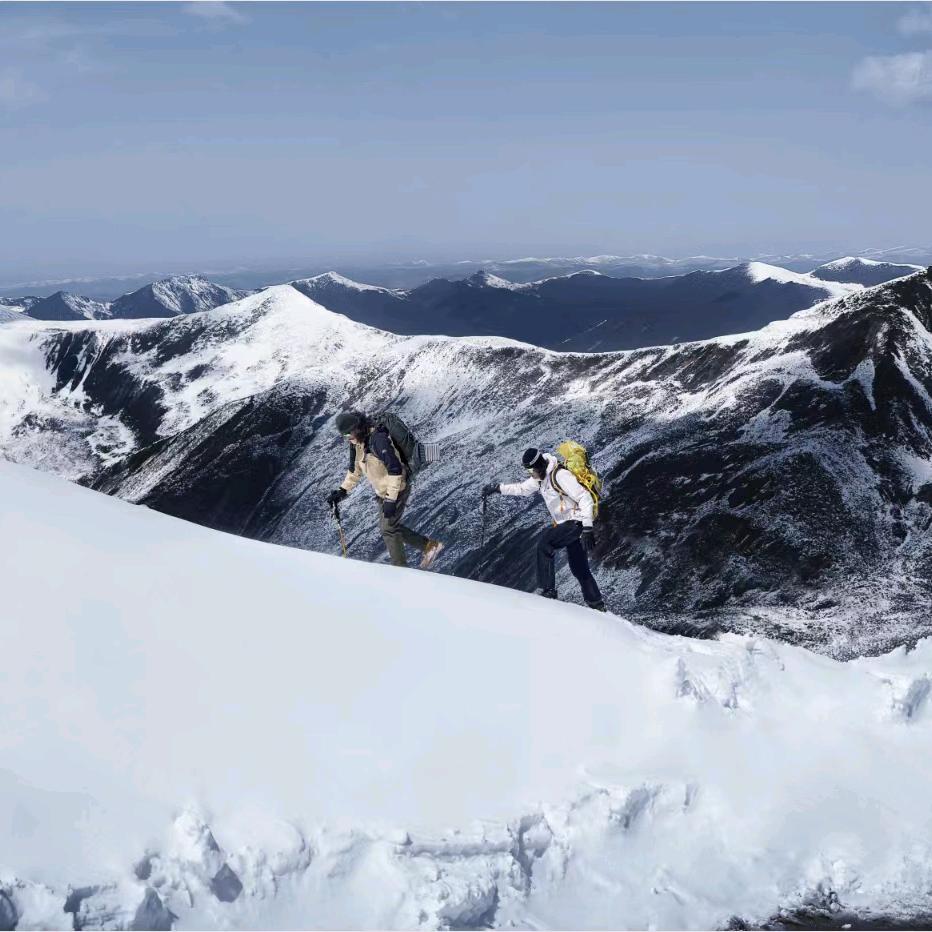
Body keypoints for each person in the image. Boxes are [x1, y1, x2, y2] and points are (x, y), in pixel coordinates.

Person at [483, 448, 605, 611]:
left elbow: (584, 497)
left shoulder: (560, 476)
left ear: (538, 466)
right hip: (568, 525)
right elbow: (522, 489)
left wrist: (588, 528)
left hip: (575, 522)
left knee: (545, 544)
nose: (529, 474)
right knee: (579, 568)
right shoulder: (541, 478)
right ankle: (597, 605)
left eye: (529, 470)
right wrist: (497, 488)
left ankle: (548, 591)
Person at [326, 410, 443, 569]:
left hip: (397, 488)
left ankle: (400, 570)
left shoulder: (379, 440)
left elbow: (395, 470)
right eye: (344, 436)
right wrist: (342, 491)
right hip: (383, 491)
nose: (347, 439)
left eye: (348, 435)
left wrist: (390, 499)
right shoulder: (357, 443)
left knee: (388, 529)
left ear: (357, 428)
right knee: (389, 527)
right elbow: (355, 470)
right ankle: (429, 546)